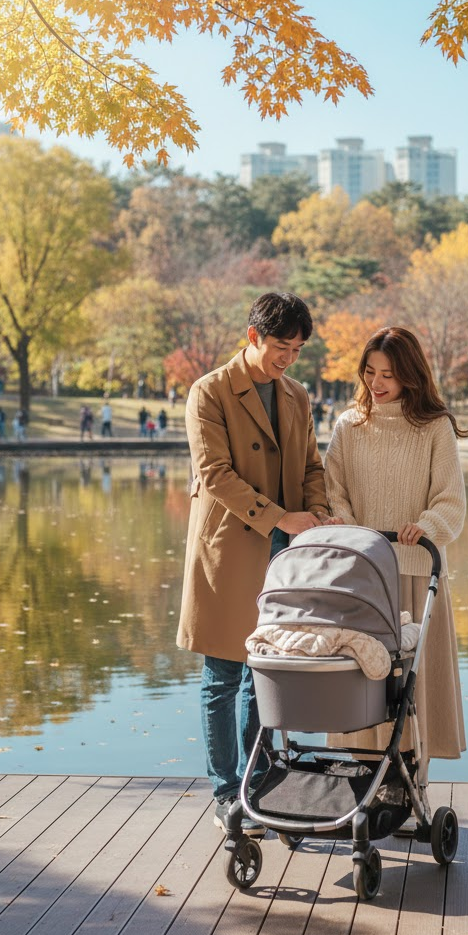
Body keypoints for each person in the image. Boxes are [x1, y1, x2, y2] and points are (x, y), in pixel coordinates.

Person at [177, 291, 331, 836]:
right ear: (252, 337)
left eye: (297, 348)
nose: (288, 357)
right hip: (231, 547)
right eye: (279, 347)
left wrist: (315, 512)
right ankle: (226, 791)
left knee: (264, 670)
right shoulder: (209, 392)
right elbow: (214, 473)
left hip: (284, 552)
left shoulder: (296, 395)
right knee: (223, 673)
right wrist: (278, 517)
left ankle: (259, 779)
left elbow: (313, 464)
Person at [323, 325, 467, 798]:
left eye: (388, 373)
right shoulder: (349, 426)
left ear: (409, 374)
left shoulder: (433, 426)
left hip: (414, 569)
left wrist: (425, 525)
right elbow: (332, 491)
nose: (377, 382)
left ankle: (412, 784)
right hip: (364, 575)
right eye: (370, 372)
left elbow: (451, 499)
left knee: (413, 684)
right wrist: (346, 524)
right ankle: (368, 779)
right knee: (364, 680)